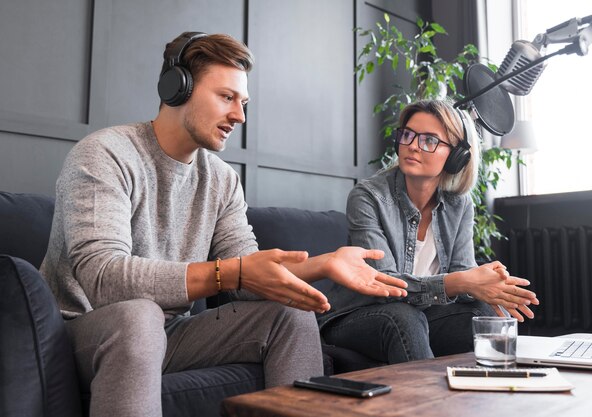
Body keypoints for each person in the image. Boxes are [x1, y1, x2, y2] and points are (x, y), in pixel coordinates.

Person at [39, 32, 408, 417]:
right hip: (83, 333)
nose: (239, 116)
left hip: (170, 334)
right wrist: (230, 273)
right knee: (139, 314)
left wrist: (324, 263)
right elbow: (104, 279)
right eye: (226, 97)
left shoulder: (221, 178)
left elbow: (248, 273)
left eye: (243, 102)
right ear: (176, 87)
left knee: (290, 313)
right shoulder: (105, 154)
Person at [318, 99, 540, 364]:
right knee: (403, 316)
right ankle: (428, 405)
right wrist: (461, 282)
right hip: (356, 316)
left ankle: (496, 398)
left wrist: (489, 287)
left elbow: (463, 272)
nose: (412, 145)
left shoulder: (460, 204)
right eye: (408, 135)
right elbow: (384, 285)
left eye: (429, 140)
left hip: (423, 314)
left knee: (483, 313)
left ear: (457, 157)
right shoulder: (368, 197)